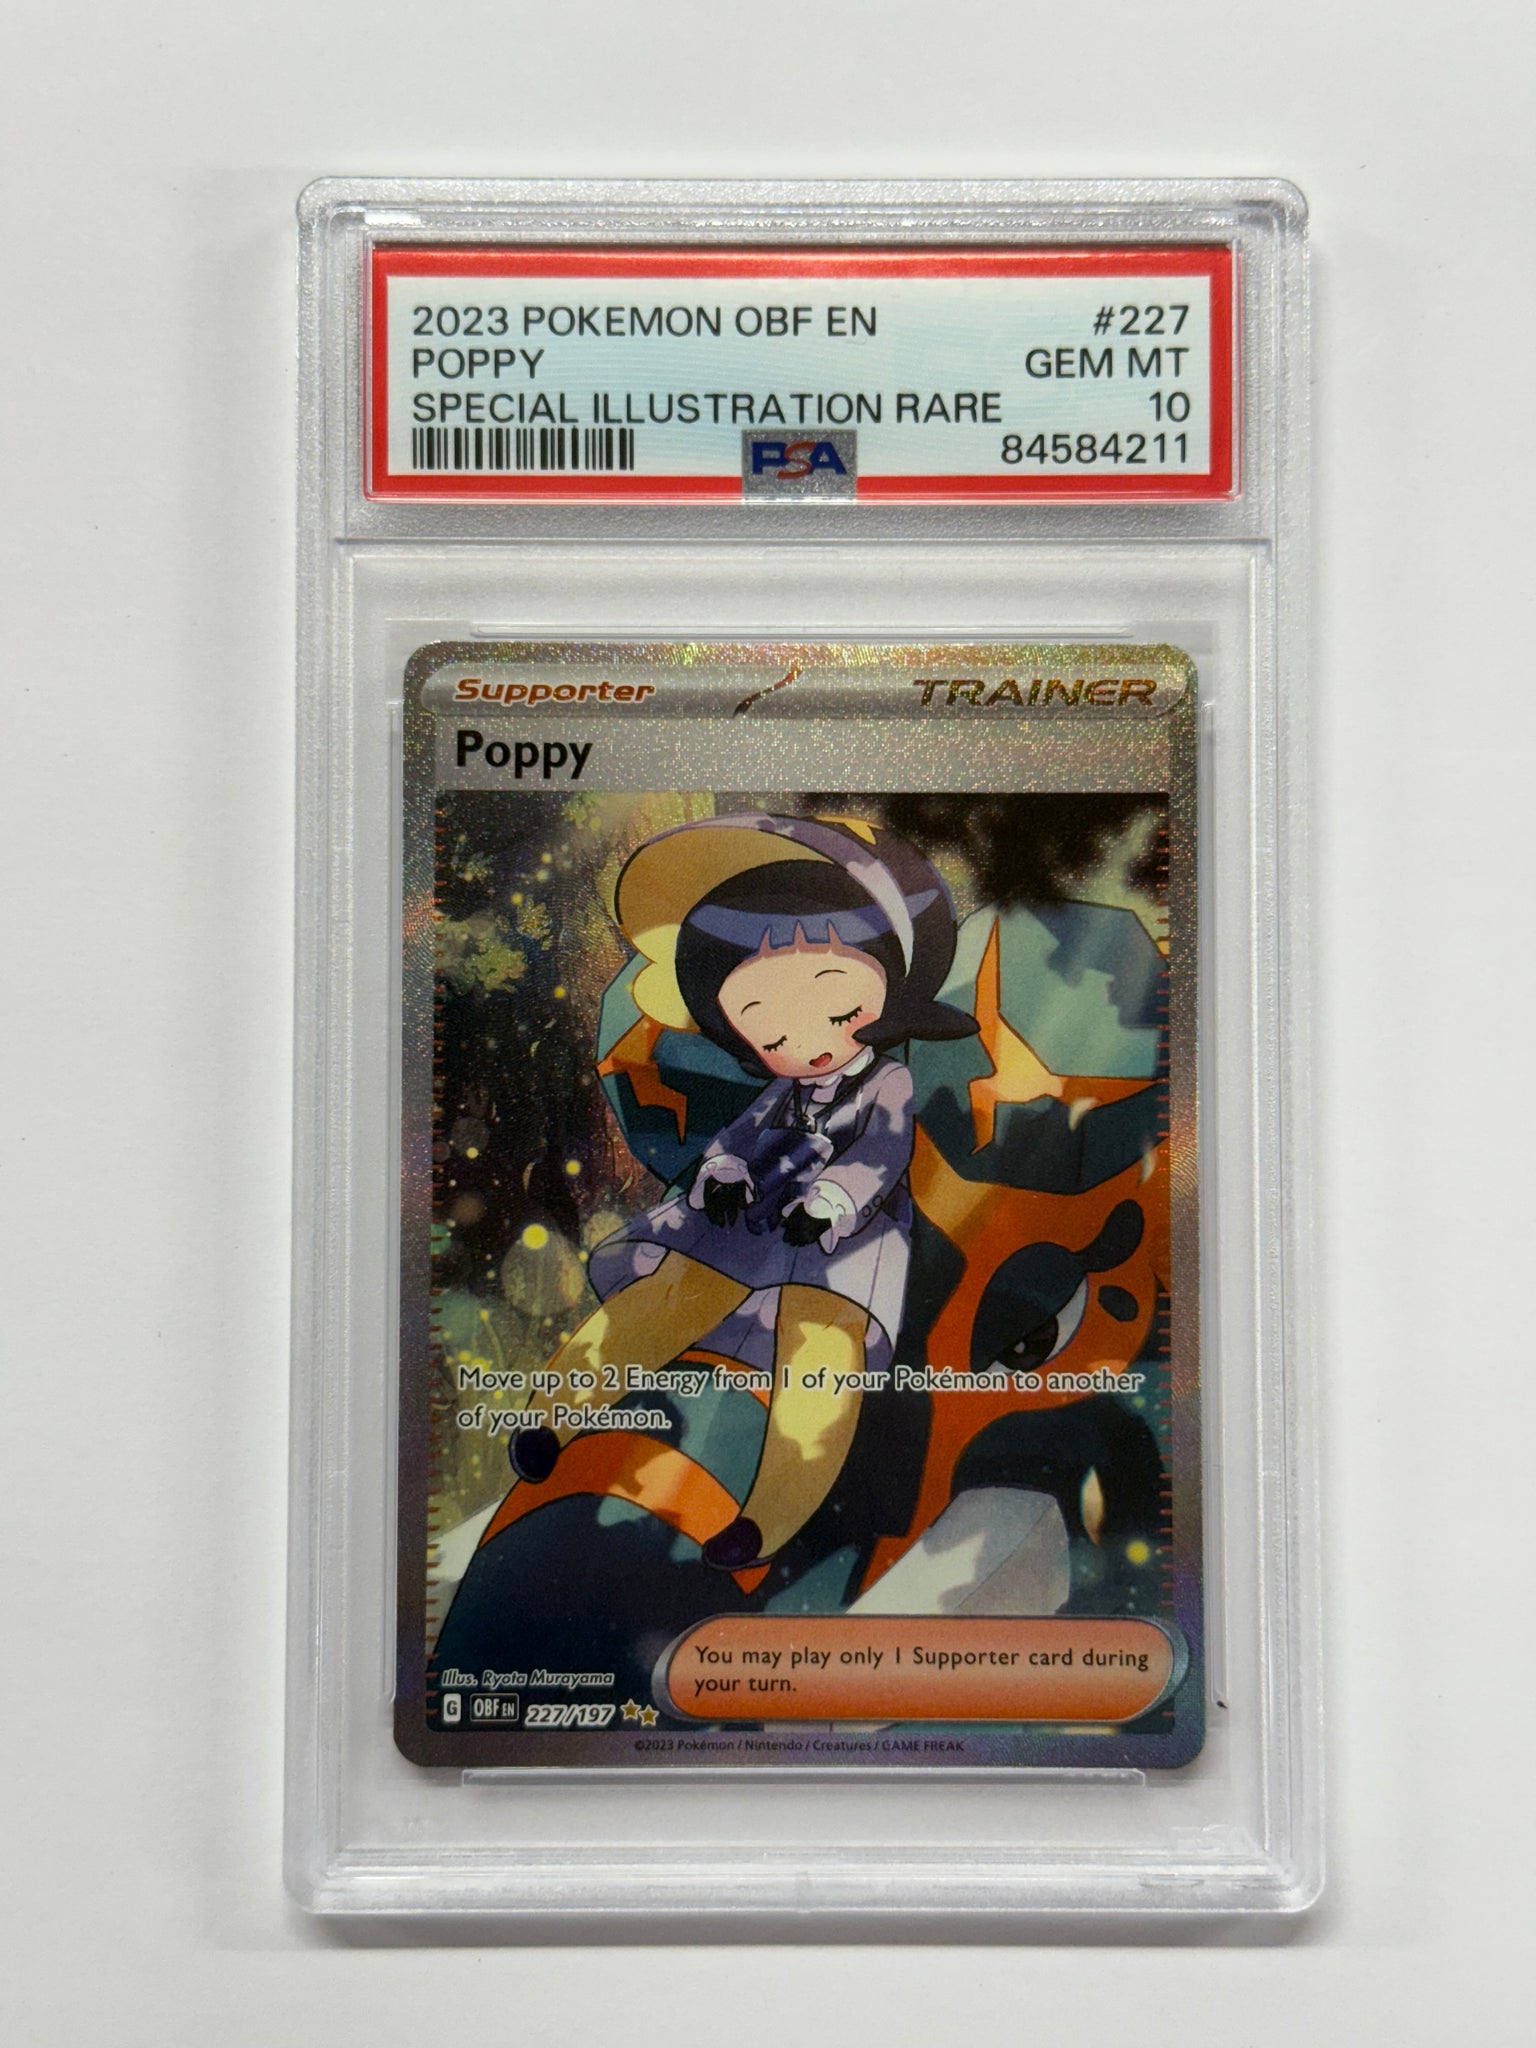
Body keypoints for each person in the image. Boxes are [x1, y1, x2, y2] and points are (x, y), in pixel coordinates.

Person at [506, 813, 977, 1569]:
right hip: (749, 1224)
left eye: (834, 1006)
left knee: (819, 1356)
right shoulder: (779, 1094)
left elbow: (882, 1153)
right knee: (661, 1302)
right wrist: (723, 1174)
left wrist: (832, 1201)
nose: (804, 1042)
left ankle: (765, 1520)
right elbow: (736, 1138)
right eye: (769, 1032)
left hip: (843, 1245)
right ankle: (551, 1419)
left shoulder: (886, 1080)